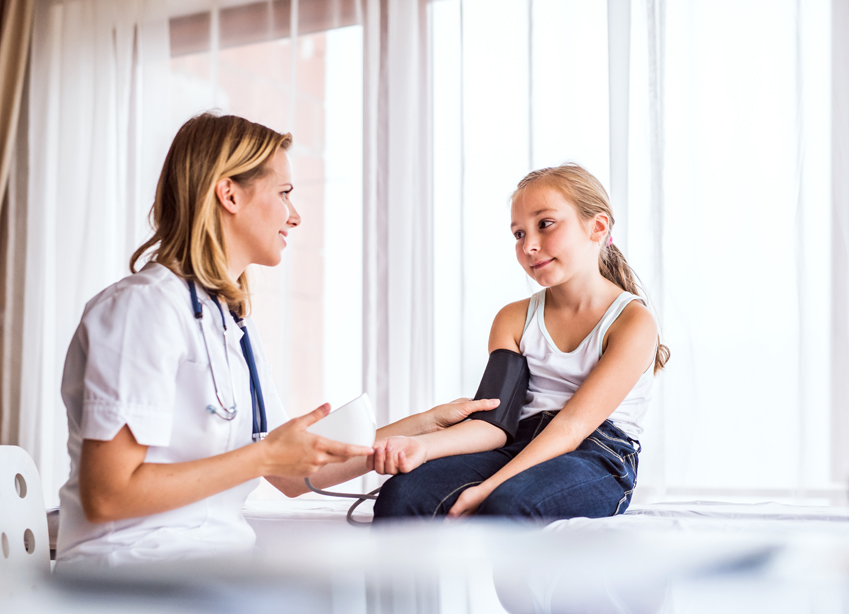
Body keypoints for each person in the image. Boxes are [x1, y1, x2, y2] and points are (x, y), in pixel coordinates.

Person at [55, 113, 499, 566]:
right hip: (129, 571)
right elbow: (107, 495)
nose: (295, 215)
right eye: (284, 193)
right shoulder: (142, 310)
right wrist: (264, 456)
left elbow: (290, 473)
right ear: (229, 193)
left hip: (209, 568)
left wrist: (423, 426)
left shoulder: (231, 324)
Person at [370, 163, 669, 521]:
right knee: (403, 493)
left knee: (509, 504)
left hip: (597, 452)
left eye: (545, 224)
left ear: (598, 226)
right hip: (519, 443)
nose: (529, 246)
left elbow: (572, 427)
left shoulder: (633, 322)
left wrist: (488, 488)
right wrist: (421, 447)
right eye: (518, 234)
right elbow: (495, 424)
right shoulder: (512, 319)